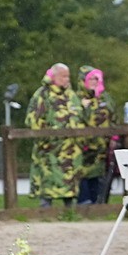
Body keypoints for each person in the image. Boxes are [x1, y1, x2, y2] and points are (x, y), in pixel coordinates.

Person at [24, 63, 84, 208]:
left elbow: (79, 116)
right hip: (49, 149)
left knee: (69, 183)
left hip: (70, 150)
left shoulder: (71, 95)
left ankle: (70, 210)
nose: (66, 79)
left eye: (68, 76)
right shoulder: (42, 94)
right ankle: (45, 209)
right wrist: (46, 137)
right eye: (63, 76)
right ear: (54, 76)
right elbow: (32, 119)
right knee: (47, 180)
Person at [76, 65, 117, 205]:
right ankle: (83, 206)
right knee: (83, 178)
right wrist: (85, 107)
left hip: (102, 149)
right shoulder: (76, 99)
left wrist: (114, 137)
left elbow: (114, 118)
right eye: (90, 78)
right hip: (83, 149)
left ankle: (100, 206)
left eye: (96, 78)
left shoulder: (106, 98)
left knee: (100, 179)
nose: (94, 81)